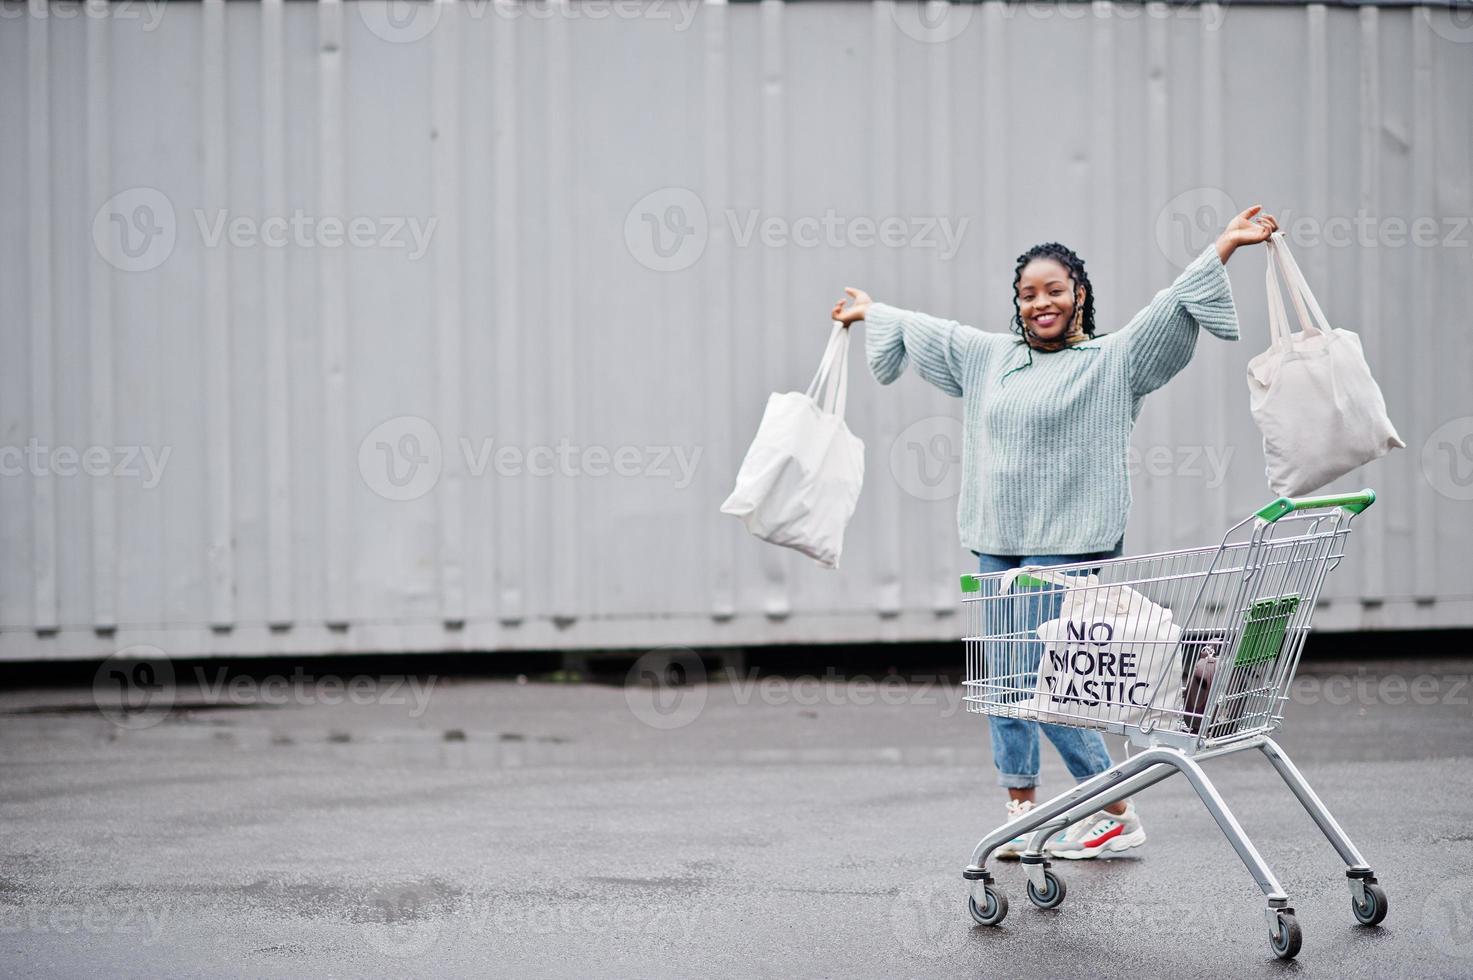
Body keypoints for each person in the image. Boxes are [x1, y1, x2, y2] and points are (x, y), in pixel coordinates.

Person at [831, 206, 1279, 860]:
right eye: (1027, 293)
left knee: (1048, 678)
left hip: (1066, 545)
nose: (1040, 303)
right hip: (996, 538)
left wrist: (1224, 247)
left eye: (1054, 290)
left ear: (1079, 296)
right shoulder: (990, 358)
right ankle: (1018, 810)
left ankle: (1113, 808)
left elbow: (1167, 309)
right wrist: (873, 311)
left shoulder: (1111, 361)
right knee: (1003, 679)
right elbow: (931, 330)